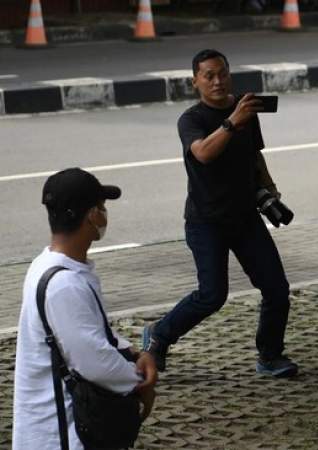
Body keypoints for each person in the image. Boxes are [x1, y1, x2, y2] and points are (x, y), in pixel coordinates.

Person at [141, 49, 298, 378]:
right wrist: (231, 122)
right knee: (212, 295)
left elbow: (255, 155)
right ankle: (160, 334)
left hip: (245, 217)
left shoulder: (245, 110)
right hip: (206, 220)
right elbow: (203, 153)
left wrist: (270, 188)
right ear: (195, 81)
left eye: (222, 73)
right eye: (209, 75)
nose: (217, 81)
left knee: (276, 288)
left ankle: (270, 355)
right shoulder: (192, 119)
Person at [13, 168, 158, 450]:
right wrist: (141, 383)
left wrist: (136, 354)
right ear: (92, 215)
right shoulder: (64, 284)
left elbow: (89, 335)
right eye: (102, 207)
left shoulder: (50, 266)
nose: (104, 215)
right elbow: (96, 363)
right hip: (61, 434)